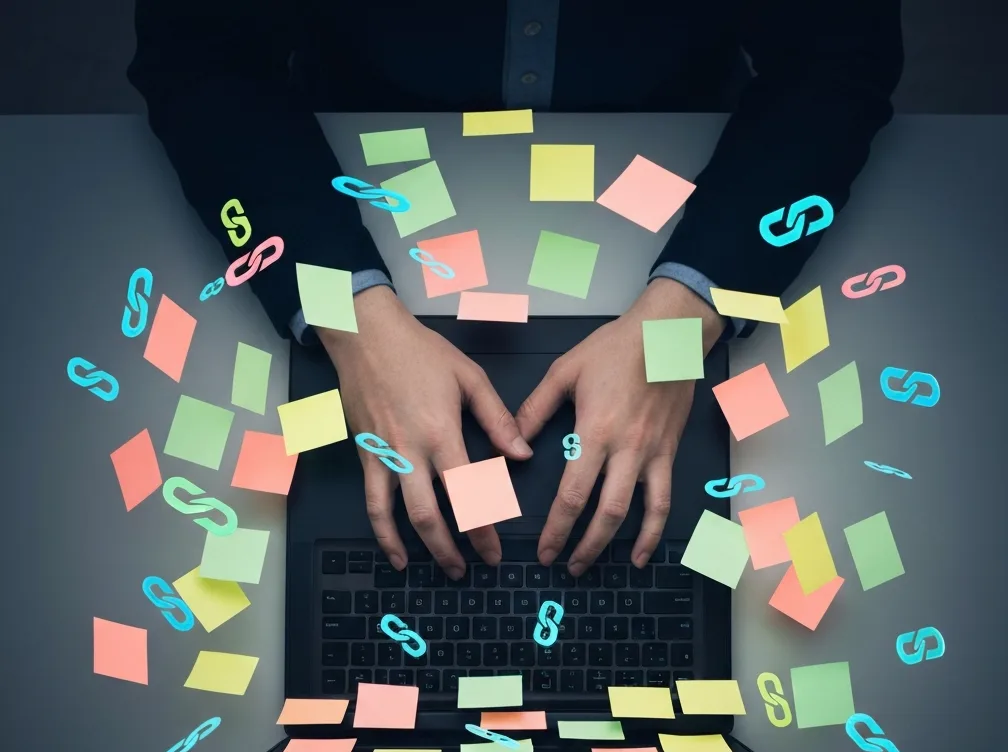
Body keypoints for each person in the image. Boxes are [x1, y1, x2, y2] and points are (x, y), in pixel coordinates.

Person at [127, 1, 903, 581]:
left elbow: (839, 60)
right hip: (350, 155)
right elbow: (199, 55)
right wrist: (347, 313)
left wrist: (687, 313)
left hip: (688, 154)